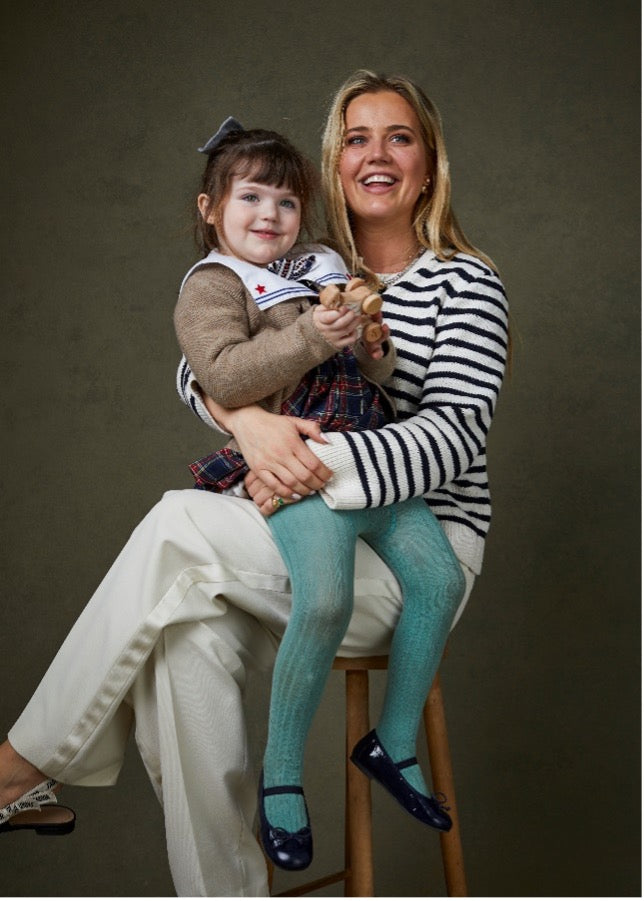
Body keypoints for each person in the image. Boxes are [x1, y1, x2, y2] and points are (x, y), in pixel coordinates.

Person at [0, 70, 508, 897]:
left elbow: (453, 436)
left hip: (413, 556)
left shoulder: (465, 283)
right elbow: (210, 361)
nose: (376, 155)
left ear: (429, 162)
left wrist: (300, 459)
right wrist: (245, 422)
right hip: (296, 535)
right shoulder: (306, 265)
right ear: (334, 162)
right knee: (181, 641)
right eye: (356, 138)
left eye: (399, 137)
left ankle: (19, 765)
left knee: (176, 525)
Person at [173, 120, 466, 871]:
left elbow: (368, 374)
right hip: (301, 465)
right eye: (251, 198)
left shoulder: (316, 266)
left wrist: (371, 341)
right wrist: (314, 336)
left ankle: (391, 744)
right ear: (211, 207)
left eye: (286, 201)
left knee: (437, 578)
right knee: (326, 599)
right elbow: (226, 378)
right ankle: (281, 774)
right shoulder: (215, 283)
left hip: (368, 456)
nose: (269, 215)